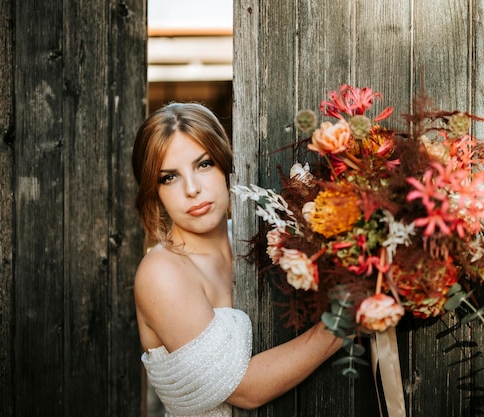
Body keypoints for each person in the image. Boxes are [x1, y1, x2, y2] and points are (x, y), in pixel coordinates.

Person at [132, 102, 342, 417]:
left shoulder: (263, 240)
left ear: (227, 164)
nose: (192, 189)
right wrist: (346, 322)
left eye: (204, 164)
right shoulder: (162, 272)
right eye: (169, 177)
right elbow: (245, 391)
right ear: (155, 192)